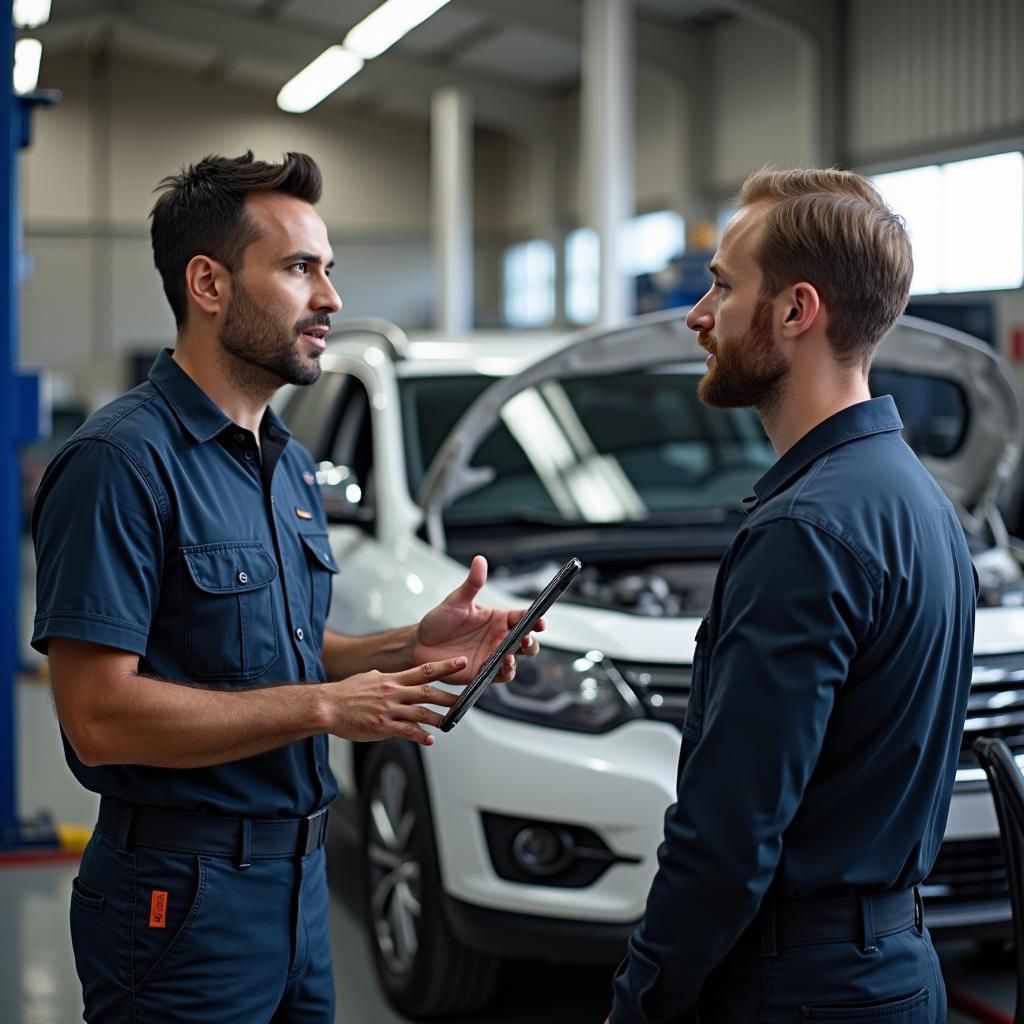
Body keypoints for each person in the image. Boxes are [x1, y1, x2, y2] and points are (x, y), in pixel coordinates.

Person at [31, 151, 545, 1023]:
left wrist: (407, 647)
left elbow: (285, 652)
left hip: (300, 887)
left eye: (329, 270)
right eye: (300, 269)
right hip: (181, 898)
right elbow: (98, 717)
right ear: (209, 283)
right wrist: (323, 709)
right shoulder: (120, 463)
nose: (331, 300)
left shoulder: (289, 465)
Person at [606, 167, 976, 1023]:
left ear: (795, 310)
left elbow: (727, 837)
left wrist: (642, 1000)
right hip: (895, 969)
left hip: (796, 988)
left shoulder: (804, 531)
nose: (699, 316)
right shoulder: (919, 500)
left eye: (722, 286)